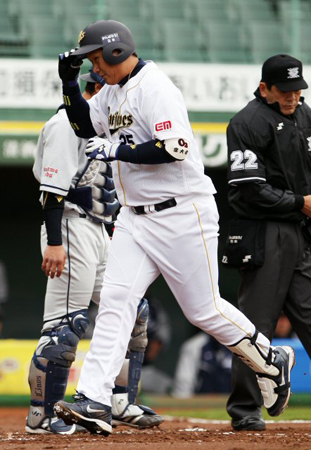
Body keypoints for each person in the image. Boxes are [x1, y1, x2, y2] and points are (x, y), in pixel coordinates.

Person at [53, 20, 295, 436]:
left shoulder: (156, 87)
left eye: (97, 58)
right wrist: (70, 87)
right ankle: (93, 398)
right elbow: (81, 125)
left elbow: (175, 147)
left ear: (116, 52)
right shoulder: (110, 92)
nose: (96, 67)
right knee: (115, 301)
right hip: (134, 217)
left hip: (182, 213)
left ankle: (271, 360)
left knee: (204, 309)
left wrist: (118, 148)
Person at [27, 69, 163, 434]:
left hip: (103, 230)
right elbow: (52, 189)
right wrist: (55, 242)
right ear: (97, 89)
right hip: (71, 228)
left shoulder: (103, 127)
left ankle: (118, 399)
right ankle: (43, 413)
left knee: (132, 310)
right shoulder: (63, 124)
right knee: (65, 326)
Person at [223, 53, 311, 431]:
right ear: (265, 88)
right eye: (285, 90)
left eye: (298, 89)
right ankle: (245, 410)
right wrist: (300, 203)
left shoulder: (306, 115)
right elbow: (248, 189)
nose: (293, 96)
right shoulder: (246, 123)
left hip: (300, 229)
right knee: (256, 323)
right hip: (265, 230)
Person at [172, 332, 232, 398]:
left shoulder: (238, 344)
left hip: (230, 403)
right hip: (201, 404)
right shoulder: (195, 345)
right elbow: (183, 384)